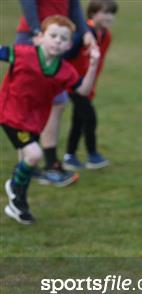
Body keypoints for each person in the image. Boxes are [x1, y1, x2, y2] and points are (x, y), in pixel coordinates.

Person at [1, 15, 100, 224]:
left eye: (63, 38)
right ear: (39, 38)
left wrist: (93, 65)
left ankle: (18, 202)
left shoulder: (65, 71)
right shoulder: (22, 53)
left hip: (35, 121)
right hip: (11, 113)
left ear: (69, 45)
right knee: (34, 154)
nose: (57, 41)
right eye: (53, 35)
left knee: (27, 160)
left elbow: (83, 90)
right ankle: (15, 190)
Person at [16, 0, 96, 186]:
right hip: (38, 37)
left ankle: (48, 162)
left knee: (57, 100)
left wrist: (85, 32)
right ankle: (32, 164)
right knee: (29, 101)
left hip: (56, 38)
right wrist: (37, 32)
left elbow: (74, 5)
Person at [62, 0, 118, 171]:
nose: (109, 16)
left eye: (112, 13)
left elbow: (97, 64)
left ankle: (69, 156)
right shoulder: (82, 33)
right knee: (89, 117)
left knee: (78, 120)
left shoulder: (106, 35)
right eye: (105, 12)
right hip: (73, 83)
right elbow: (65, 56)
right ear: (93, 13)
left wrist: (91, 86)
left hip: (87, 85)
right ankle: (92, 155)